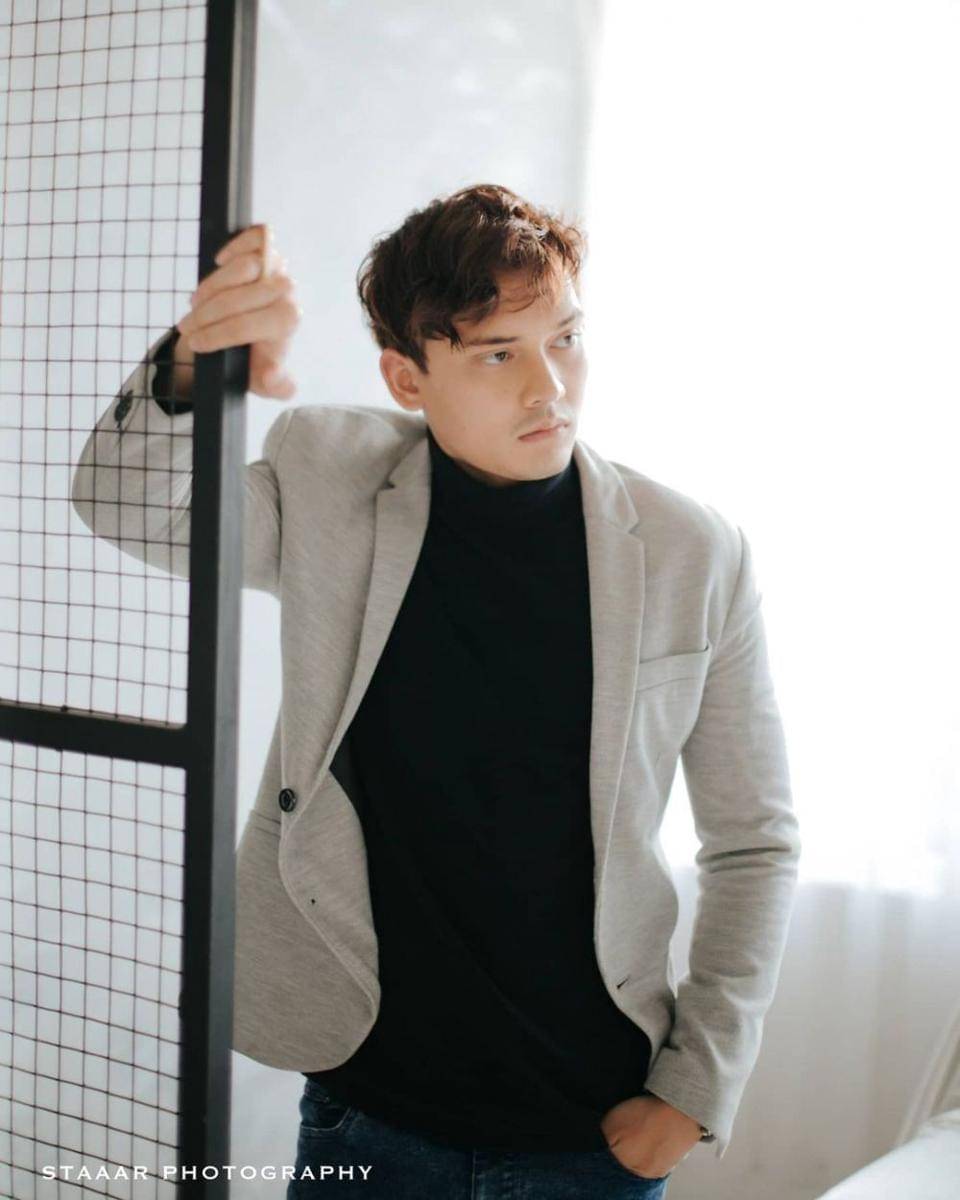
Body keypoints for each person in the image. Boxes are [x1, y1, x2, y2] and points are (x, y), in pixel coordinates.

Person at [71, 184, 801, 1198]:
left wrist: (694, 1090)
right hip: (369, 1113)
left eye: (566, 339)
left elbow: (754, 841)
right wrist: (198, 353)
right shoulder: (332, 485)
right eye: (499, 354)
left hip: (592, 1127)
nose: (549, 386)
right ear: (407, 378)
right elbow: (124, 501)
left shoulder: (692, 550)